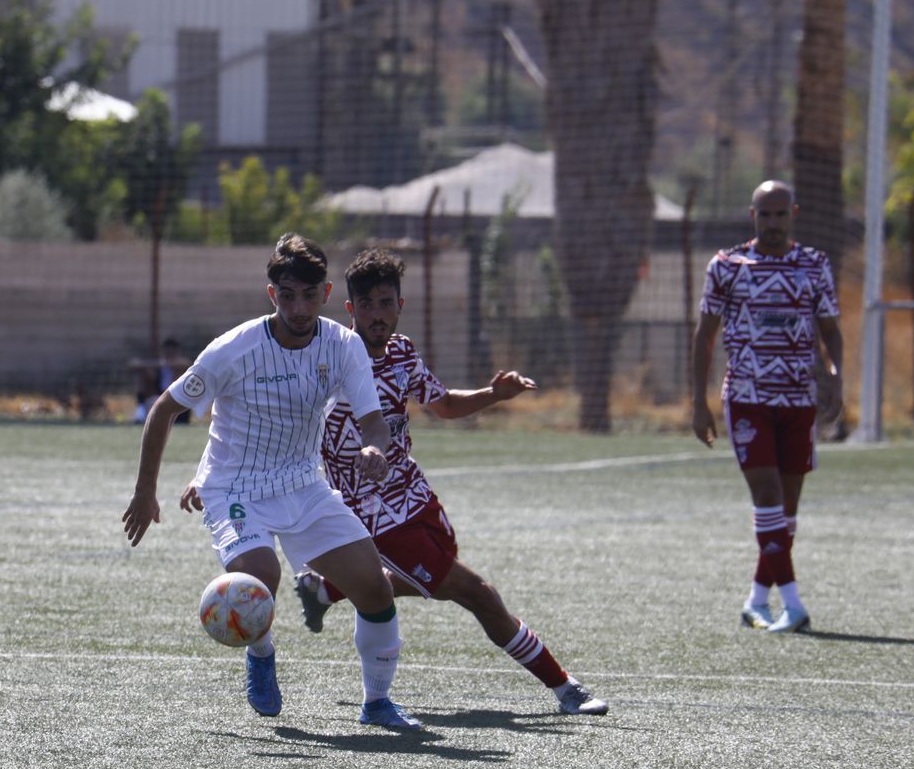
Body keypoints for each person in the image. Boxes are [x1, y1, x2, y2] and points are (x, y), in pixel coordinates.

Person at [284, 248, 609, 717]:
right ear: (350, 308)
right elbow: (292, 418)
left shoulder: (401, 351)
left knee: (439, 572)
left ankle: (327, 590)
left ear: (400, 305)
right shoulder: (331, 362)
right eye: (367, 305)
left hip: (413, 493)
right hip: (373, 514)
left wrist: (494, 394)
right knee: (476, 592)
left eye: (385, 303)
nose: (377, 315)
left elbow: (445, 404)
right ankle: (564, 688)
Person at [122, 234, 421, 730]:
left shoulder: (343, 346)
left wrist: (374, 449)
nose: (298, 308)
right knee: (260, 578)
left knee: (374, 589)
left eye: (309, 295)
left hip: (303, 484)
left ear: (326, 293)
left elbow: (373, 422)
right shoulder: (234, 349)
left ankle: (378, 703)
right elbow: (164, 409)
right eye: (287, 295)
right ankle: (260, 652)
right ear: (271, 294)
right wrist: (144, 491)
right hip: (234, 489)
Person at [692, 179, 845, 633]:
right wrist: (698, 402)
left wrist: (836, 378)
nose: (773, 222)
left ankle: (756, 600)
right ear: (752, 216)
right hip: (748, 398)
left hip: (799, 399)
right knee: (767, 496)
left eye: (780, 214)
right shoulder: (727, 266)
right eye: (765, 214)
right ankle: (794, 605)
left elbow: (830, 329)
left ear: (793, 214)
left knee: (787, 510)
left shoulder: (814, 264)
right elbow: (705, 334)